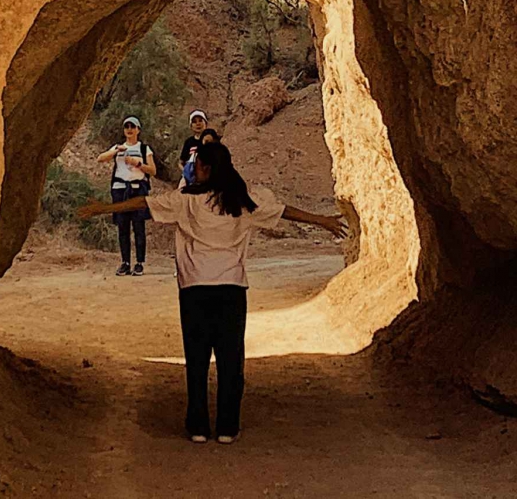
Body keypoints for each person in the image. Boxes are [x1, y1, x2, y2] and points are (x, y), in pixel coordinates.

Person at [79, 141, 346, 443]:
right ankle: (228, 428)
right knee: (231, 360)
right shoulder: (242, 201)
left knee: (197, 359)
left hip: (194, 288)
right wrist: (321, 220)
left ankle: (198, 427)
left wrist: (104, 208)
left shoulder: (186, 201)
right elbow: (283, 211)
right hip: (231, 289)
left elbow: (143, 203)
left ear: (204, 168)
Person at [95, 115, 157, 276]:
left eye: (132, 126)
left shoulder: (144, 149)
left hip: (138, 190)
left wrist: (138, 163)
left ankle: (139, 263)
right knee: (123, 227)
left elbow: (153, 170)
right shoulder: (118, 147)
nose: (129, 129)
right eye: (126, 126)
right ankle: (125, 262)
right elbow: (100, 158)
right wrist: (116, 151)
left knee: (138, 227)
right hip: (120, 190)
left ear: (138, 130)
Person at [180, 109, 209, 185]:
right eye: (194, 122)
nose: (198, 124)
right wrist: (186, 172)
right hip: (190, 176)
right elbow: (181, 162)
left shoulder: (211, 140)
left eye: (200, 121)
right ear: (191, 126)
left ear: (205, 123)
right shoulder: (189, 142)